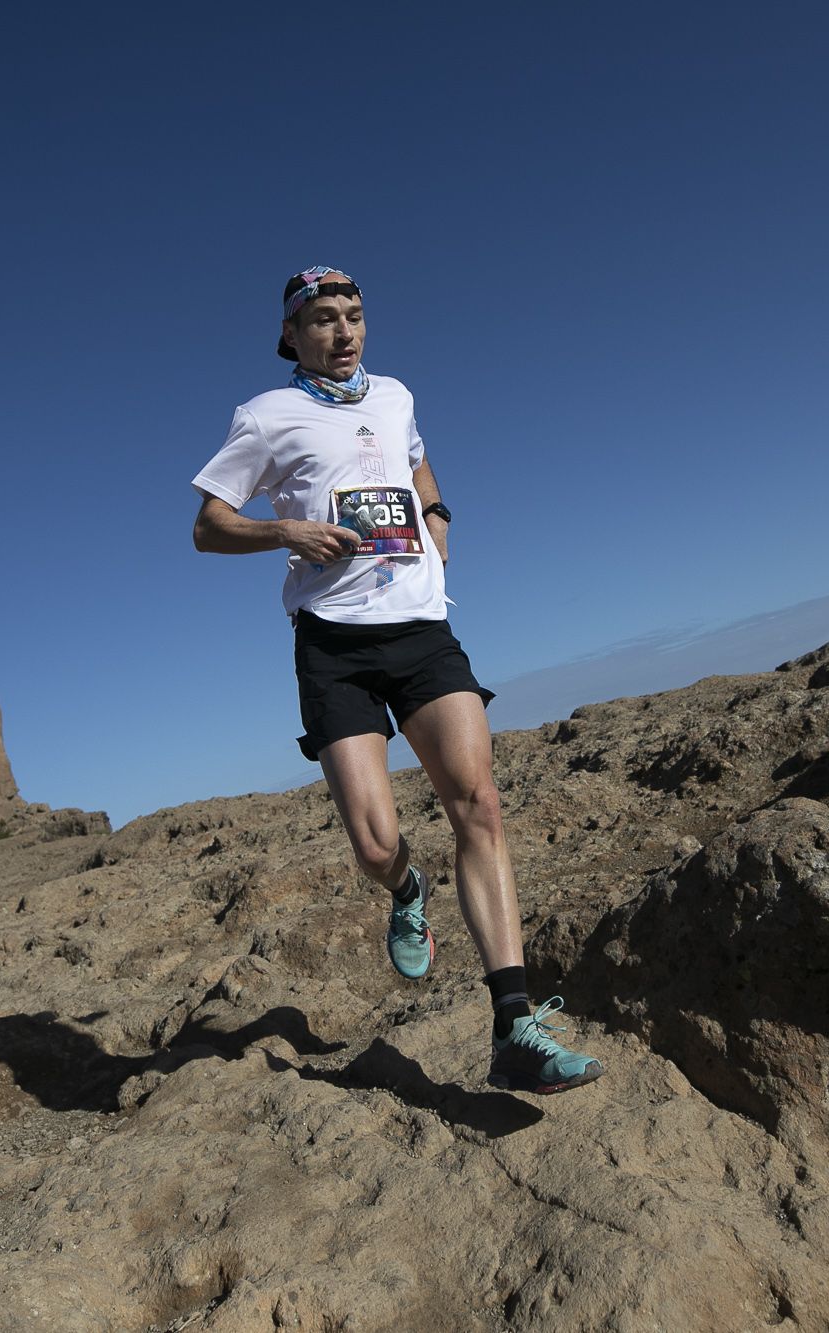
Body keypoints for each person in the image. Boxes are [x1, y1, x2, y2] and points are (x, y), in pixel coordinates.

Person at [189, 265, 602, 1095]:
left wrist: (439, 517)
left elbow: (419, 466)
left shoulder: (398, 396)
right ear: (292, 336)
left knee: (477, 803)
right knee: (376, 842)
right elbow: (208, 526)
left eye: (355, 315)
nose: (343, 332)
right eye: (324, 320)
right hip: (332, 644)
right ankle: (408, 887)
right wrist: (286, 532)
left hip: (420, 625)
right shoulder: (266, 416)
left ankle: (513, 1023)